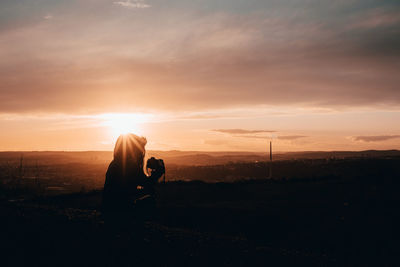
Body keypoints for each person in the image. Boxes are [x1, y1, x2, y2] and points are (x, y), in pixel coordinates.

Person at [102, 133, 165, 228]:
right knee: (150, 201)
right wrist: (156, 174)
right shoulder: (129, 165)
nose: (141, 152)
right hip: (120, 212)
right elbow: (146, 185)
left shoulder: (115, 163)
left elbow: (129, 189)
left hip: (109, 211)